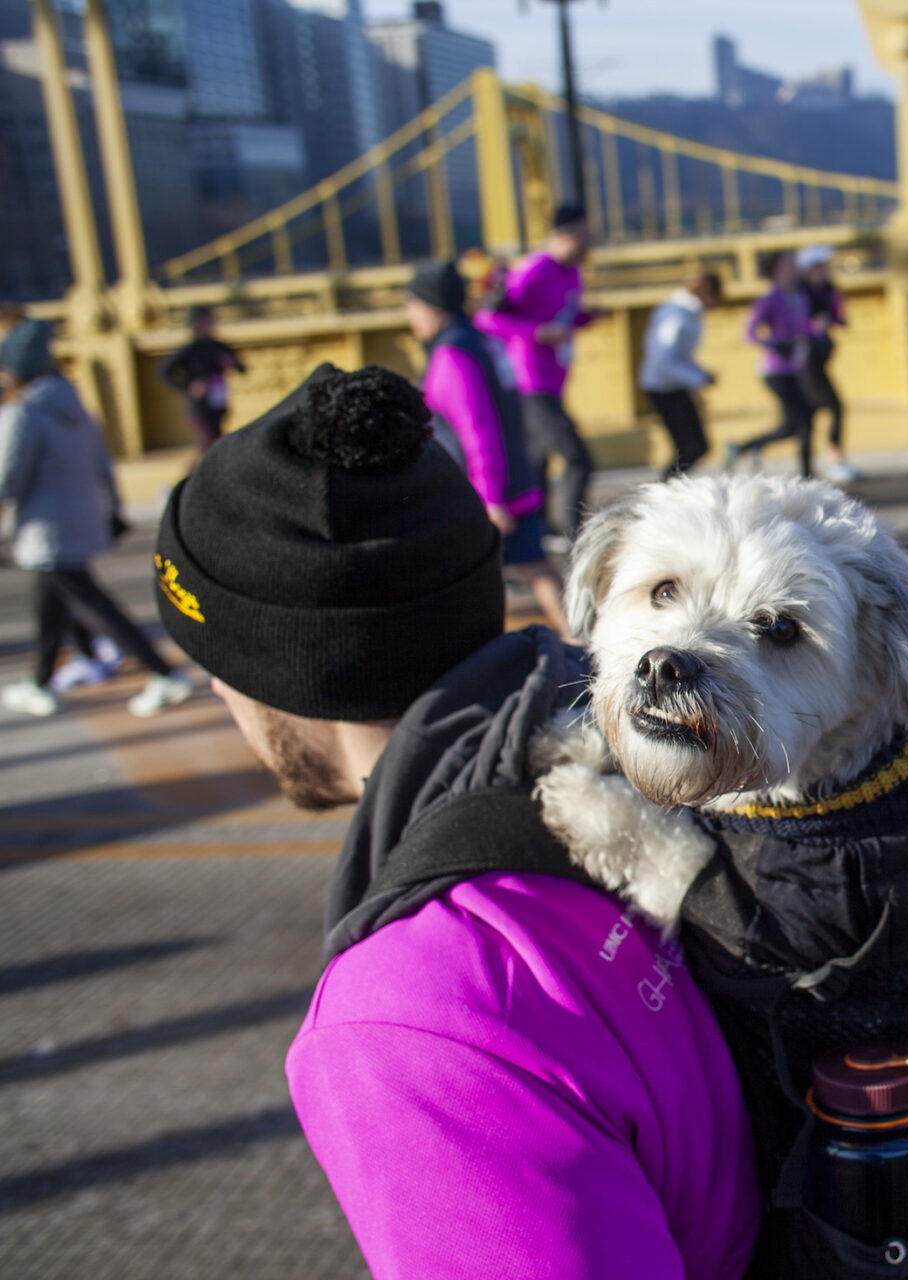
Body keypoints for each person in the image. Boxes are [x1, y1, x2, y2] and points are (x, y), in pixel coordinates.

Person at [151, 361, 759, 1277]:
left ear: (282, 670)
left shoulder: (410, 1019)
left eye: (214, 660)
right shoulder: (680, 764)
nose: (211, 687)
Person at [0, 321, 192, 719]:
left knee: (92, 605)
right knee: (50, 606)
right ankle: (39, 682)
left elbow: (6, 478)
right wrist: (112, 509)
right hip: (80, 520)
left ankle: (164, 673)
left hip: (44, 529)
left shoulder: (25, 414)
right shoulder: (77, 408)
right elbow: (104, 467)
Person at [403, 261, 572, 643]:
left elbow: (477, 430)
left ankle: (573, 643)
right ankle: (578, 638)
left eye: (411, 304)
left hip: (489, 491)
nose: (407, 314)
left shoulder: (452, 356)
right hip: (513, 474)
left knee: (502, 572)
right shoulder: (479, 341)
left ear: (433, 306)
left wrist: (493, 499)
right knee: (533, 565)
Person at [475, 204, 599, 546]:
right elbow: (487, 319)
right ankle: (577, 538)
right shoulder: (532, 270)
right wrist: (538, 333)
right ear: (566, 234)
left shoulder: (573, 271)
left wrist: (585, 319)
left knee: (538, 460)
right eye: (585, 234)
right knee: (578, 459)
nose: (590, 241)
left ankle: (540, 535)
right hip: (529, 381)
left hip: (554, 380)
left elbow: (562, 316)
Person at [727, 250, 816, 478]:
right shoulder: (768, 300)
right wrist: (775, 344)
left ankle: (744, 447)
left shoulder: (801, 296)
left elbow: (805, 328)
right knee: (803, 419)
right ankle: (807, 477)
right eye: (789, 264)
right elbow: (749, 333)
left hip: (797, 368)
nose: (794, 269)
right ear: (776, 270)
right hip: (776, 371)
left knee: (792, 425)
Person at [641, 271, 722, 480]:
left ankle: (669, 487)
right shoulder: (676, 315)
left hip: (674, 385)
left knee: (695, 446)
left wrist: (700, 373)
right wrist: (696, 378)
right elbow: (663, 359)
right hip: (663, 386)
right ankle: (664, 489)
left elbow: (681, 356)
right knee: (690, 446)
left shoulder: (686, 312)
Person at [796, 246, 859, 483]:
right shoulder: (801, 293)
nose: (824, 271)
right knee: (833, 407)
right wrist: (812, 326)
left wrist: (838, 319)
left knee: (807, 416)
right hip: (807, 362)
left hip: (820, 359)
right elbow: (791, 324)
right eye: (819, 267)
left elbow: (835, 316)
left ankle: (810, 469)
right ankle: (833, 461)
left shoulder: (828, 291)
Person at [162, 305, 246, 455]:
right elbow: (164, 372)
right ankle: (192, 477)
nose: (210, 324)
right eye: (206, 321)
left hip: (217, 401)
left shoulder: (219, 346)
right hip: (199, 407)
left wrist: (232, 363)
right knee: (209, 445)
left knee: (217, 442)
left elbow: (242, 368)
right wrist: (189, 386)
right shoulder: (191, 349)